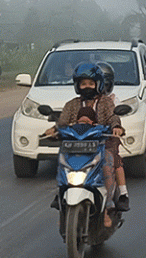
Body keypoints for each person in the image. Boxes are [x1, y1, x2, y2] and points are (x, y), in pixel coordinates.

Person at [47, 62, 126, 227]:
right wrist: (53, 130)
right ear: (77, 85)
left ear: (98, 84)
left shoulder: (106, 103)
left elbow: (113, 117)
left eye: (91, 83)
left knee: (107, 164)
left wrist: (116, 127)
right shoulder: (72, 104)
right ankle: (60, 192)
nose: (87, 87)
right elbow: (62, 122)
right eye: (83, 84)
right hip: (75, 146)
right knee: (62, 162)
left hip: (102, 145)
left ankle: (108, 205)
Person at [95, 61, 130, 212]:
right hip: (87, 140)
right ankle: (63, 191)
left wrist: (116, 128)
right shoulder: (82, 101)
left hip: (107, 138)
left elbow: (115, 117)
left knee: (115, 160)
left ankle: (123, 193)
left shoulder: (113, 100)